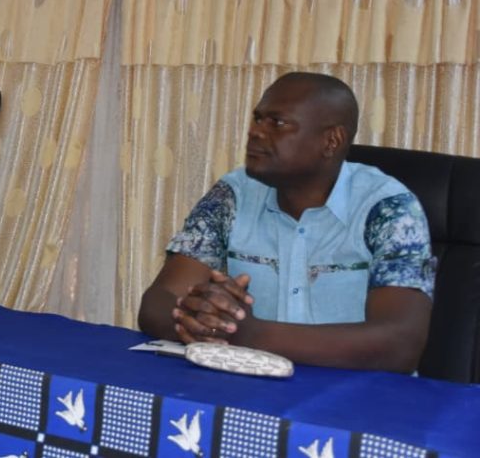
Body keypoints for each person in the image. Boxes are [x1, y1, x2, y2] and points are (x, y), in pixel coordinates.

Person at [138, 72, 434, 373]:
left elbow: (400, 345)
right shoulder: (233, 195)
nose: (255, 132)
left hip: (358, 394)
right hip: (254, 388)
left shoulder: (388, 208)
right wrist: (201, 321)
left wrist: (252, 335)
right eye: (257, 119)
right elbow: (158, 302)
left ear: (331, 140)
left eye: (277, 123)